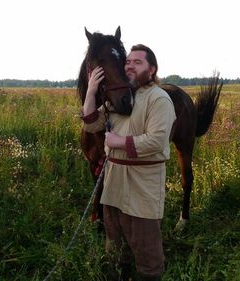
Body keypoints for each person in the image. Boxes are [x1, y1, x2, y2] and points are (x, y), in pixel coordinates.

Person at [81, 44, 176, 281]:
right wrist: (91, 92)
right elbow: (91, 123)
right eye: (128, 62)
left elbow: (156, 142)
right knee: (114, 243)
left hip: (142, 184)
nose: (130, 66)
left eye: (137, 62)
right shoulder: (122, 96)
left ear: (152, 70)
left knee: (146, 249)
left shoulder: (159, 99)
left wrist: (118, 141)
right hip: (114, 184)